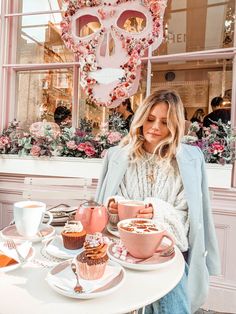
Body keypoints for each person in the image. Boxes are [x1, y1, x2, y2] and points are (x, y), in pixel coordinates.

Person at [96, 90, 220, 314]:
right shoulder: (118, 156)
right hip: (123, 251)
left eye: (164, 122)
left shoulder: (188, 160)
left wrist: (157, 212)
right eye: (150, 119)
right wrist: (114, 208)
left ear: (175, 126)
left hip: (167, 254)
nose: (155, 127)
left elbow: (188, 216)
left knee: (173, 304)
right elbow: (106, 209)